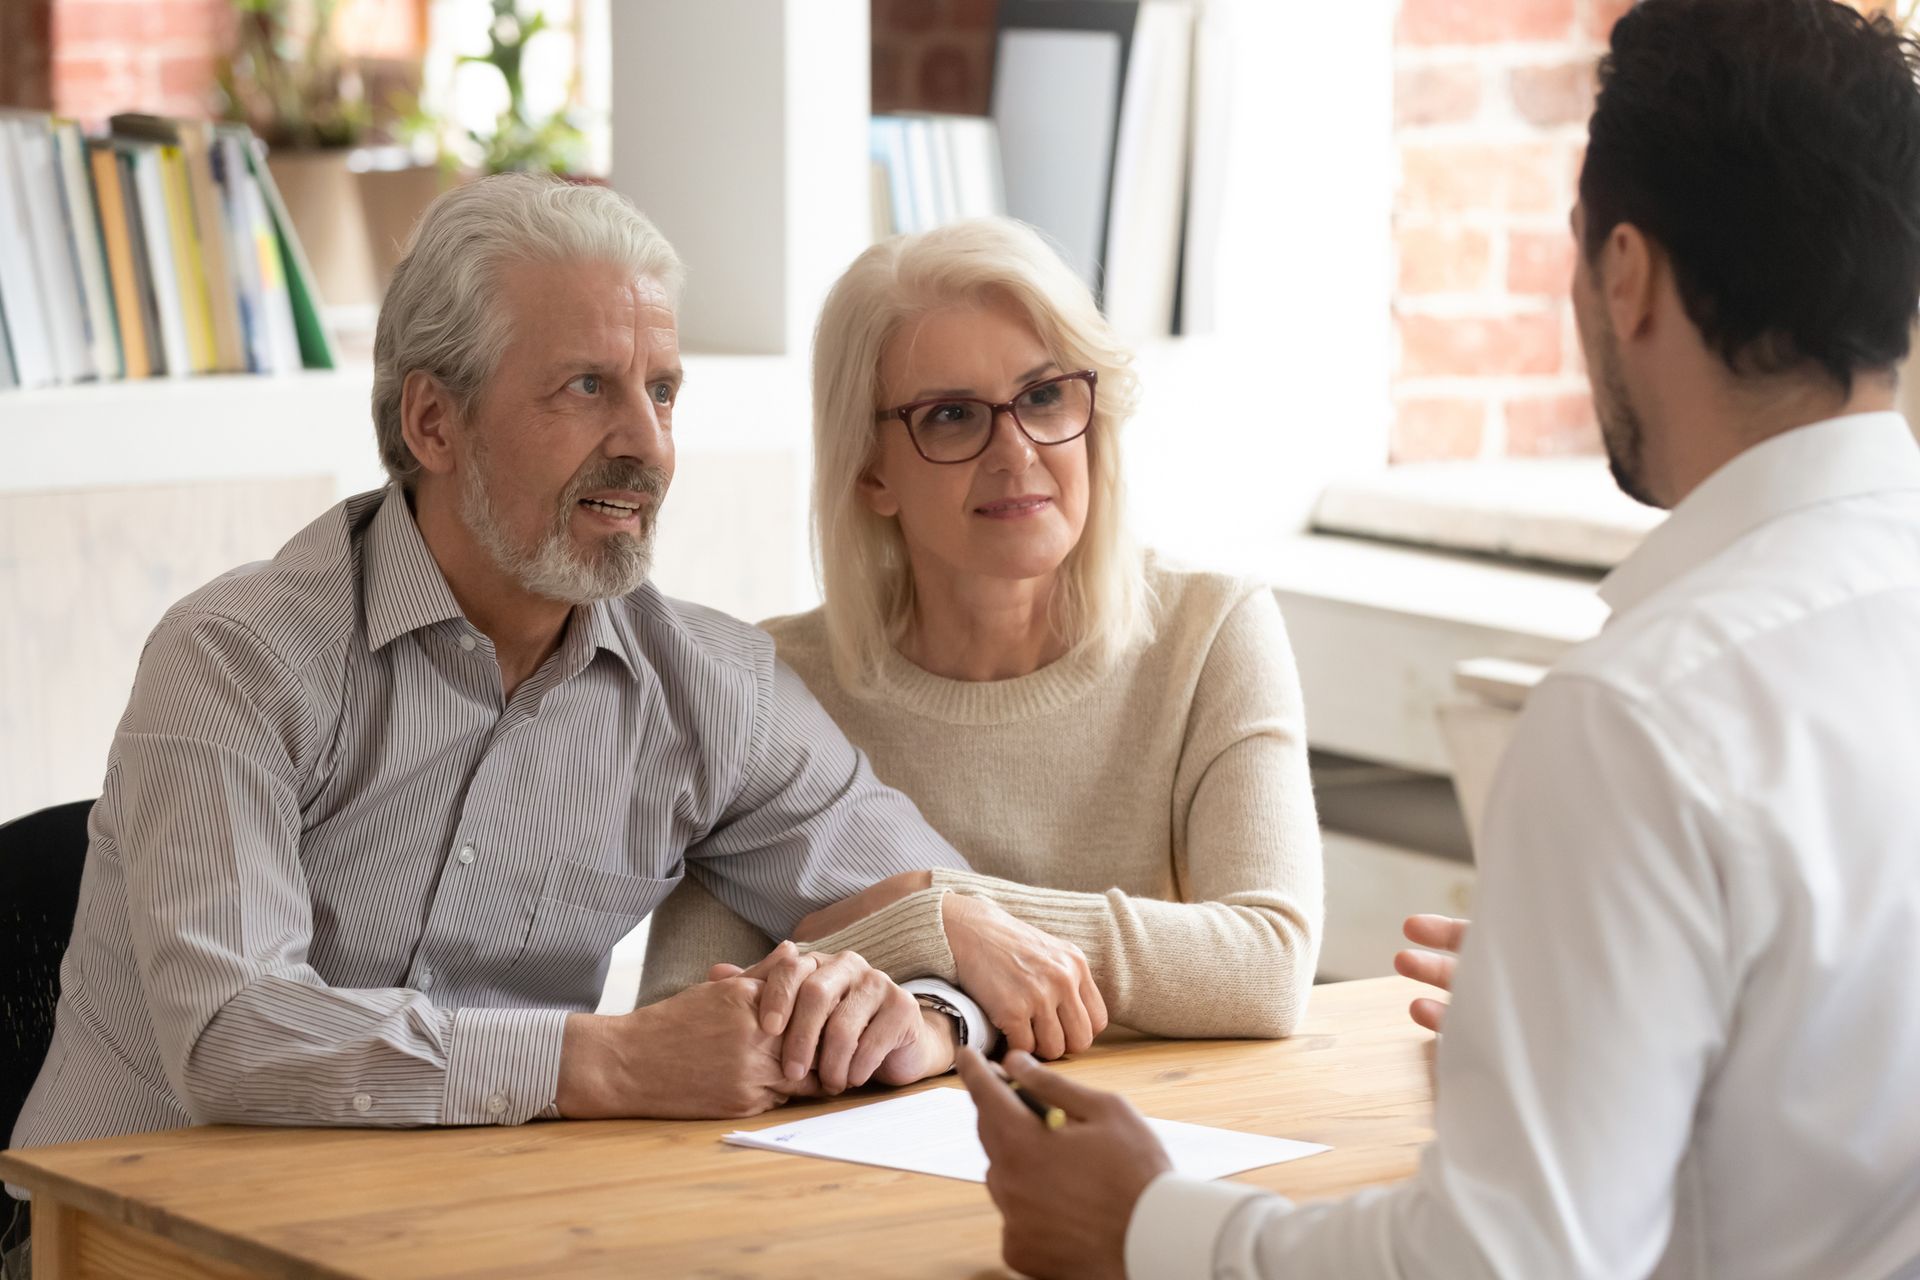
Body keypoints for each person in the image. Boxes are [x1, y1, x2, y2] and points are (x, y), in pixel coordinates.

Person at [955, 1, 1920, 1276]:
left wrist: (1149, 1223)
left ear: (1624, 273)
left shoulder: (1642, 717)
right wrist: (1598, 1002)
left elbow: (1512, 1260)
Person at [3, 174, 1085, 1188]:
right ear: (433, 421)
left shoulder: (710, 688)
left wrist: (925, 1011)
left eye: (662, 390)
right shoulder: (233, 659)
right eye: (587, 388)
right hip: (135, 1229)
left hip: (463, 1224)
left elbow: (955, 921)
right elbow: (232, 1036)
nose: (647, 446)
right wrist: (612, 1061)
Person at [639, 216, 1323, 1054]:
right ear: (869, 470)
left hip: (1133, 1150)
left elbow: (1268, 964)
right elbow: (689, 1013)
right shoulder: (766, 683)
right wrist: (950, 935)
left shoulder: (1212, 633)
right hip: (836, 1170)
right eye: (954, 416)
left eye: (1044, 396)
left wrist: (929, 903)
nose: (1017, 452)